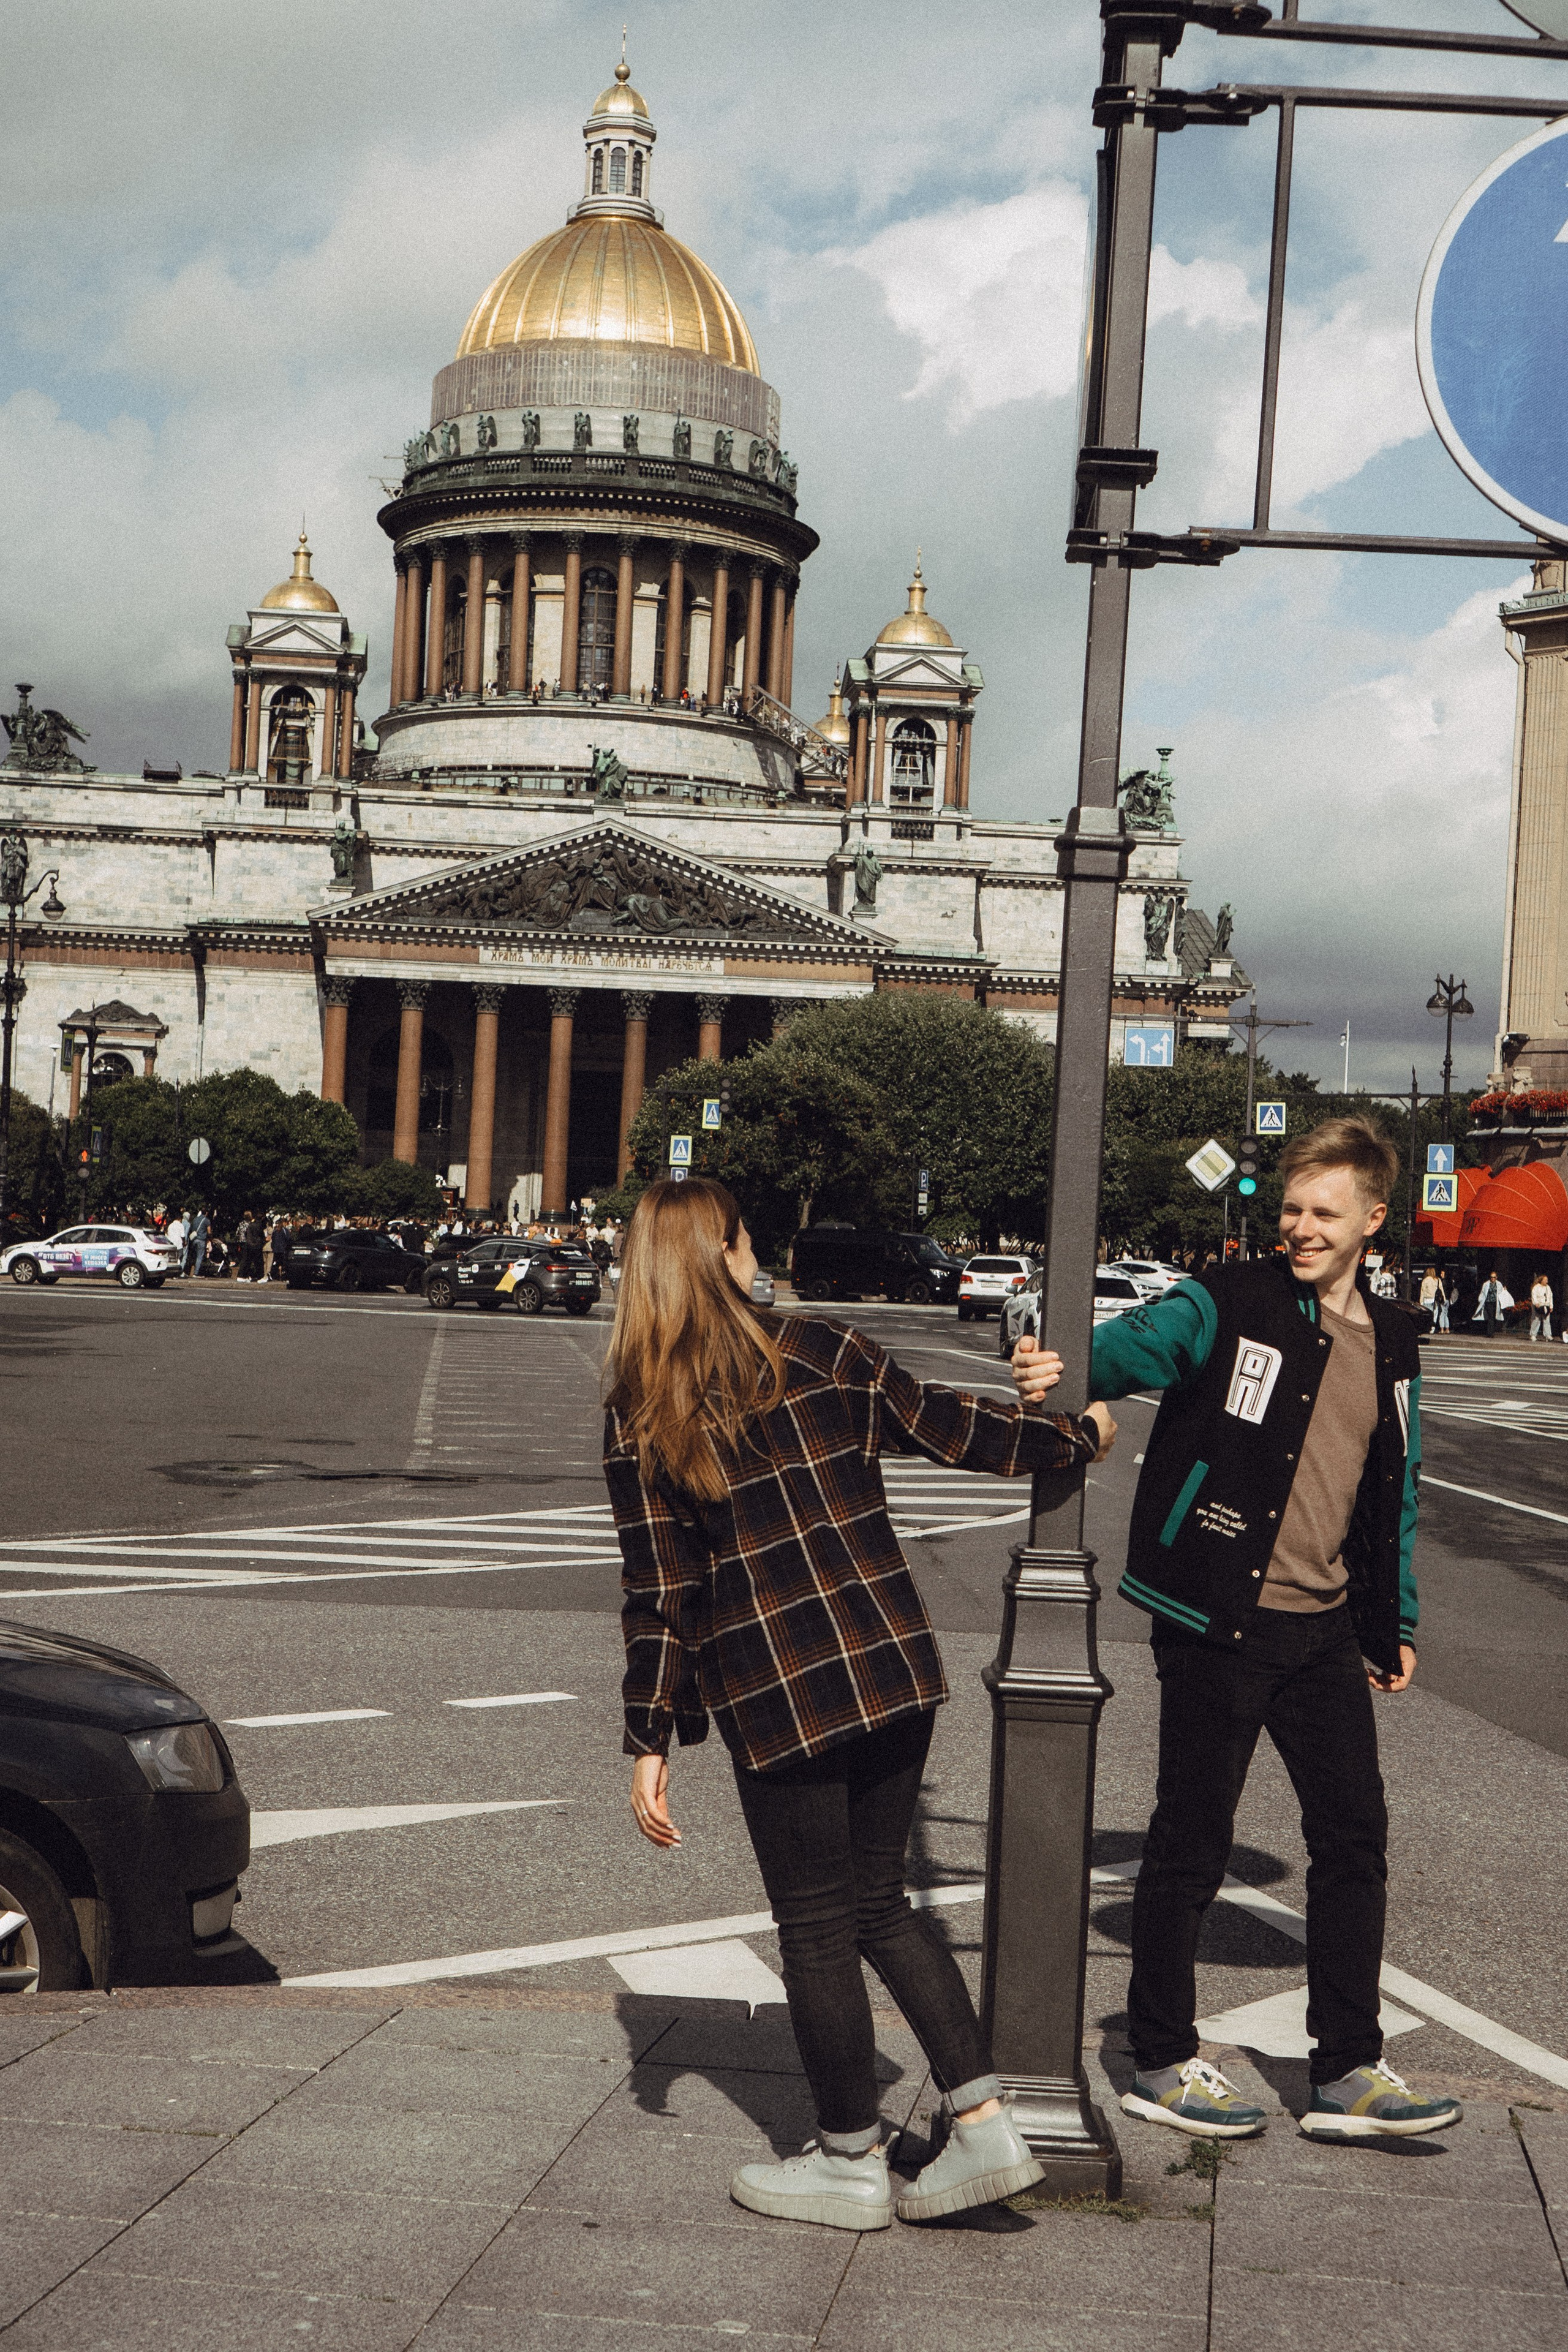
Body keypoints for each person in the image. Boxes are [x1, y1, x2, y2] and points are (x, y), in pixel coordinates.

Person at [603, 1177, 1117, 2231]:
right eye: (747, 1240)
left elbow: (661, 1595)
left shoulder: (641, 1411)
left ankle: (847, 2159)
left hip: (775, 1692)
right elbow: (958, 1431)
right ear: (728, 1255)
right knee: (883, 1904)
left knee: (816, 1928)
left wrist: (649, 1738)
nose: (758, 1255)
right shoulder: (825, 1349)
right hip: (890, 1668)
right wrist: (1077, 1436)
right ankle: (984, 2125)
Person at [1016, 1117, 1461, 2145]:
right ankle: (1161, 2057)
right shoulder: (1234, 1299)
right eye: (1293, 1210)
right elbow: (1136, 1348)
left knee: (1354, 1837)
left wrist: (1392, 1618)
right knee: (1193, 1837)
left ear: (1373, 1222)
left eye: (1323, 1213)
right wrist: (1067, 1371)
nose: (1301, 1228)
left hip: (1323, 1627)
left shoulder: (1393, 1335)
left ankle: (1348, 2069)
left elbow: (1397, 1482)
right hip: (1219, 1614)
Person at [1474, 1268, 1512, 1336]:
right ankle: (1490, 1333)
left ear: (1496, 1278)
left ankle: (1491, 1331)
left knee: (1494, 1317)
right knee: (1491, 1316)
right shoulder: (1486, 1284)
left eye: (1494, 1277)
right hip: (1488, 1302)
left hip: (1495, 1303)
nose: (1493, 1279)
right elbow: (1483, 1293)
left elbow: (1501, 1292)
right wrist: (1480, 1299)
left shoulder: (1499, 1284)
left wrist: (1504, 1290)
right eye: (1492, 1277)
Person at [183, 1207, 208, 1280]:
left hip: (194, 1240)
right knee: (199, 1257)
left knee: (191, 1256)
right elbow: (209, 1231)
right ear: (206, 1213)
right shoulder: (206, 1220)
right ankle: (196, 1273)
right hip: (201, 1240)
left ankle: (187, 1271)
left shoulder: (195, 1220)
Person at [1529, 1270, 1554, 1342]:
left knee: (1547, 1321)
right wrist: (1536, 1303)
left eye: (1547, 1280)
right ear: (1542, 1281)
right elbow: (1534, 1296)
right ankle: (1533, 1335)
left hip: (1546, 1306)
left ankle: (1548, 1335)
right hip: (1538, 1306)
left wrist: (1551, 1306)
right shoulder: (1536, 1288)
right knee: (1536, 1320)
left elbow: (1550, 1297)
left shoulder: (1548, 1288)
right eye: (1545, 1280)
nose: (1547, 1281)